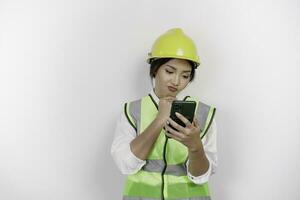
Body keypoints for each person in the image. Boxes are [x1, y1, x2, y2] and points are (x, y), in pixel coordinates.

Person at [111, 28, 217, 200]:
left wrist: (195, 146)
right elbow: (126, 165)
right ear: (154, 69)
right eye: (169, 71)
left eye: (185, 75)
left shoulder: (204, 113)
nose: (176, 81)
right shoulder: (132, 111)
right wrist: (159, 120)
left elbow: (201, 177)